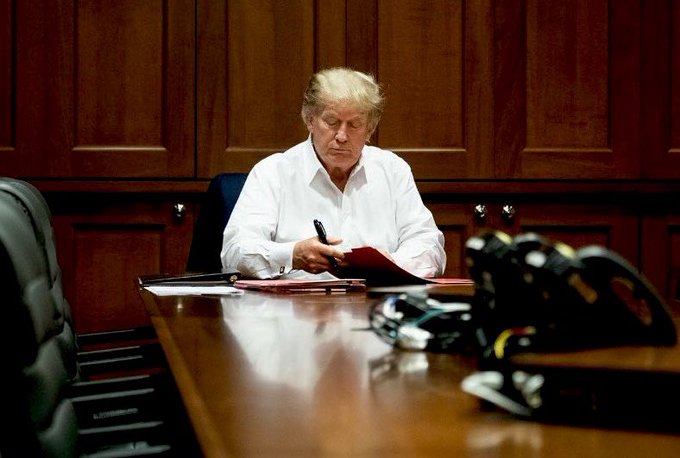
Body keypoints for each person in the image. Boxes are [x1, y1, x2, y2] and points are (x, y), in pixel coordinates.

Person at [221, 67, 446, 279]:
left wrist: (392, 263)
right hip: (296, 305)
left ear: (370, 129)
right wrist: (292, 255)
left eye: (354, 124)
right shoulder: (273, 172)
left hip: (374, 302)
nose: (341, 136)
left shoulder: (393, 170)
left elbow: (430, 246)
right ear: (309, 120)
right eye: (331, 122)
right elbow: (235, 252)